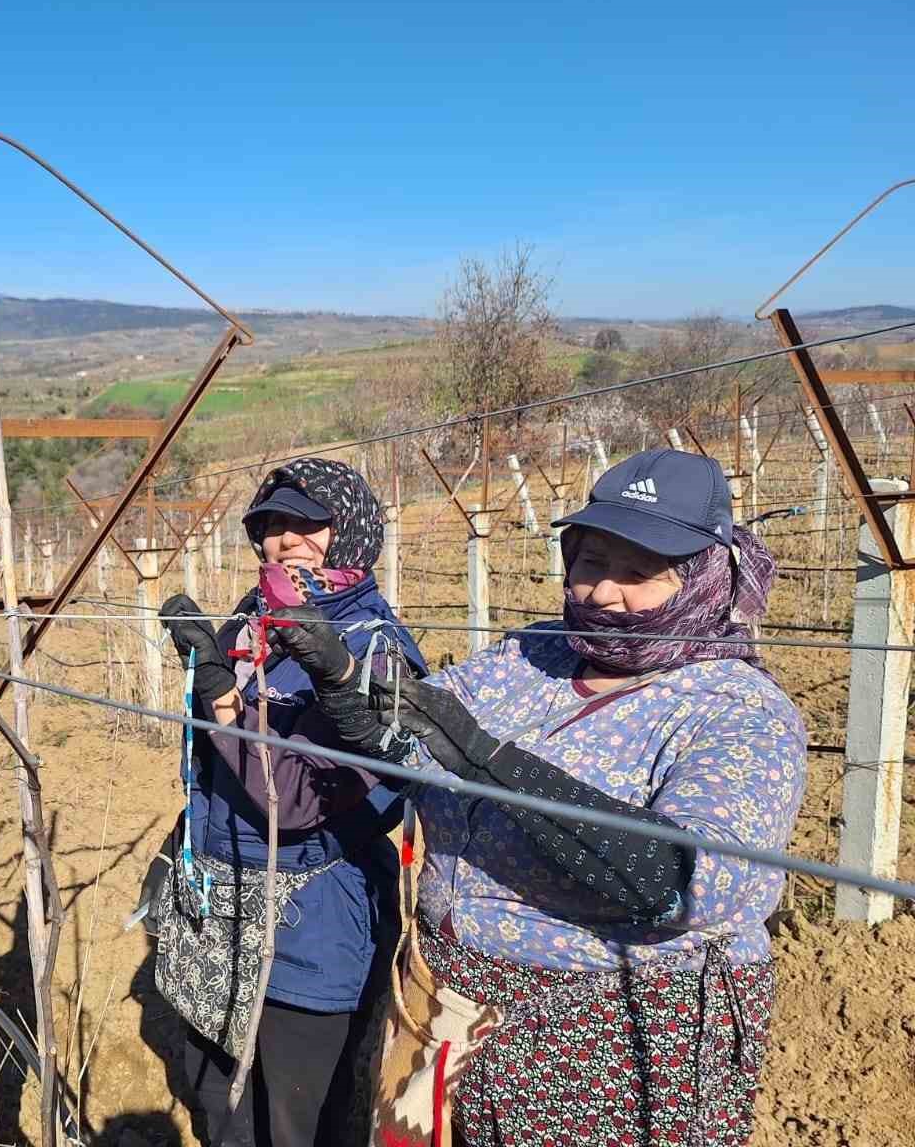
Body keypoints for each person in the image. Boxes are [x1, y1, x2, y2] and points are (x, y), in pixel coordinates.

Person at [270, 449, 806, 1147]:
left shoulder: (735, 710)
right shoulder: (536, 656)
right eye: (590, 563)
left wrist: (493, 764)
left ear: (704, 577)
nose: (603, 592)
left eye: (639, 573)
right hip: (448, 1006)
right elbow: (415, 736)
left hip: (604, 1038)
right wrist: (343, 677)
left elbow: (694, 884)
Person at [151, 458, 425, 1146]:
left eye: (308, 523)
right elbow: (210, 771)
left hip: (309, 932)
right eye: (271, 526)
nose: (284, 540)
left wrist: (220, 699)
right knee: (219, 1103)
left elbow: (298, 800)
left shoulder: (374, 651)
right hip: (219, 911)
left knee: (297, 1122)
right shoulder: (250, 622)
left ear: (352, 531)